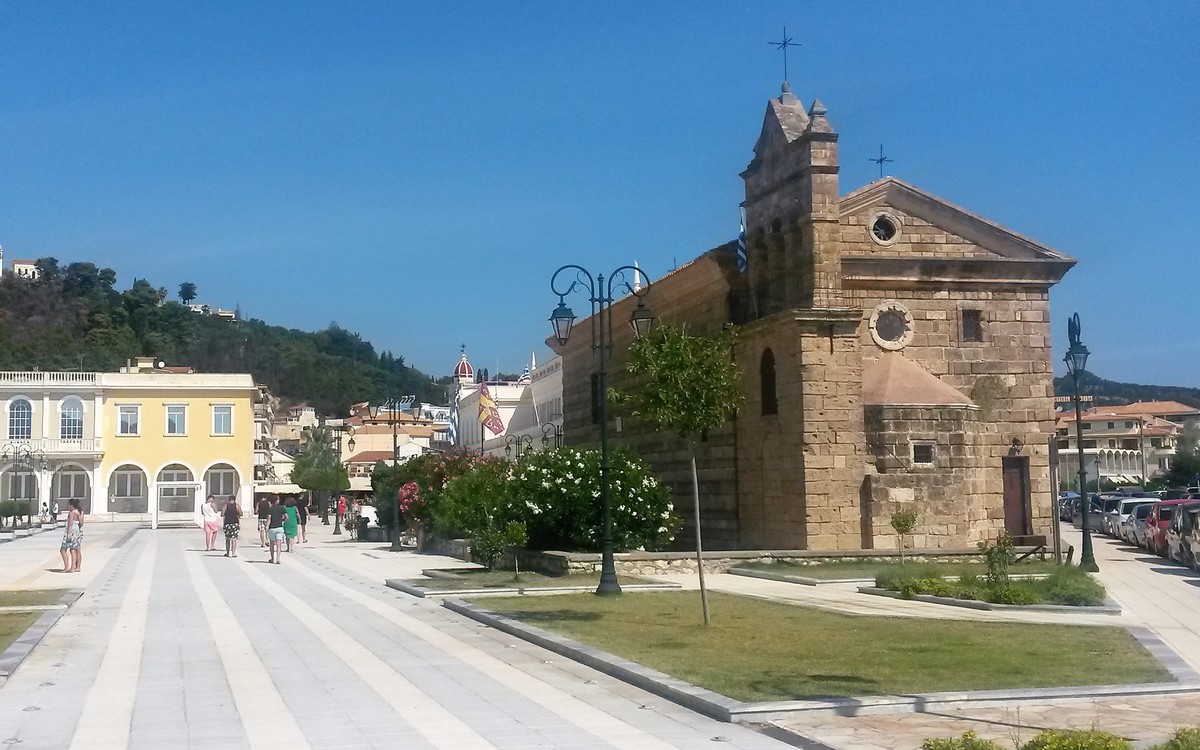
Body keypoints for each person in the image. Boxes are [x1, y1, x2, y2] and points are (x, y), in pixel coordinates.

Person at [59, 499, 84, 573]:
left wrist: (69, 534)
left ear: (72, 505)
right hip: (77, 531)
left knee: (63, 550)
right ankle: (73, 567)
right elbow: (81, 523)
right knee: (74, 550)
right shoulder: (79, 512)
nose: (68, 506)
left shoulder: (71, 513)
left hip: (71, 532)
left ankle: (66, 567)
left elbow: (70, 524)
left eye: (69, 505)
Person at [267, 496, 287, 564]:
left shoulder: (270, 509)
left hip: (272, 527)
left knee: (272, 544)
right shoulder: (282, 508)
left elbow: (269, 518)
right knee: (279, 544)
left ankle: (272, 558)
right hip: (279, 527)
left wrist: (267, 527)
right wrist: (282, 520)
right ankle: (278, 558)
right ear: (276, 500)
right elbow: (287, 517)